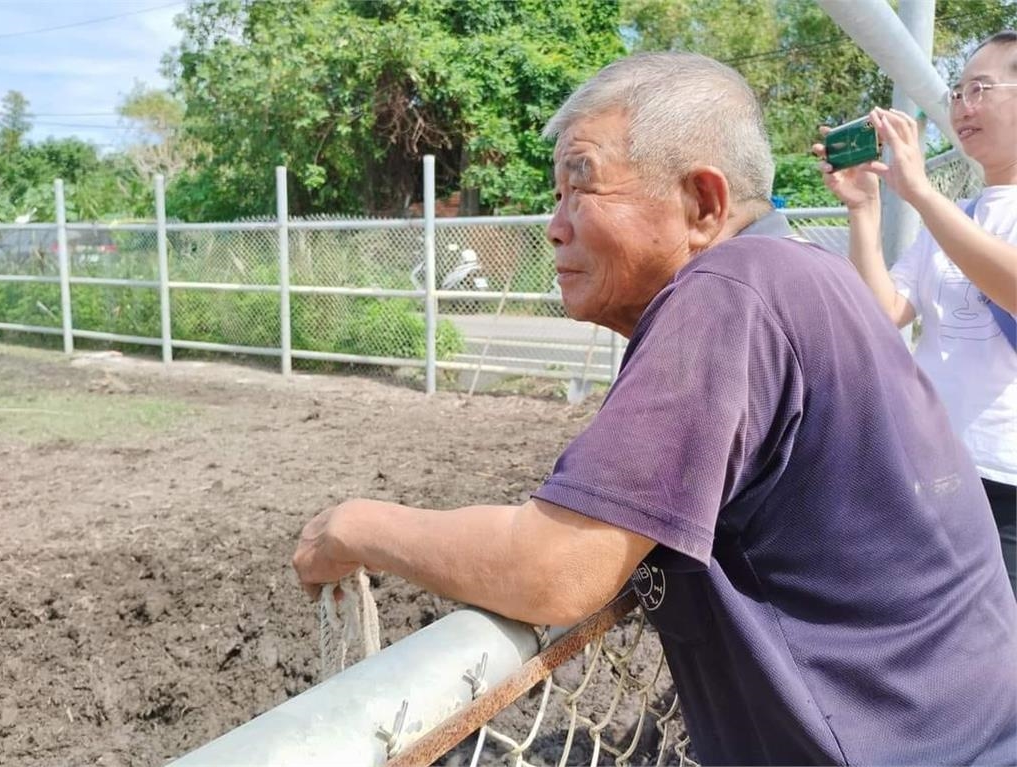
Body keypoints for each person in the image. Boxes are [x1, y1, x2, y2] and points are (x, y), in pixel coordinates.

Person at [294, 52, 1017, 765]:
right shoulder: (806, 272)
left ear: (703, 205)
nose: (554, 224)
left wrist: (354, 526)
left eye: (582, 188)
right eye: (555, 195)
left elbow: (556, 566)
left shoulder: (726, 291)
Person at [815, 31, 1017, 595]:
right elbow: (882, 313)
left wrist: (923, 194)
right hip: (933, 465)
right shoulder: (960, 216)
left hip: (1008, 484)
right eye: (958, 91)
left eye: (981, 88)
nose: (962, 105)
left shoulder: (942, 212)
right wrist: (865, 208)